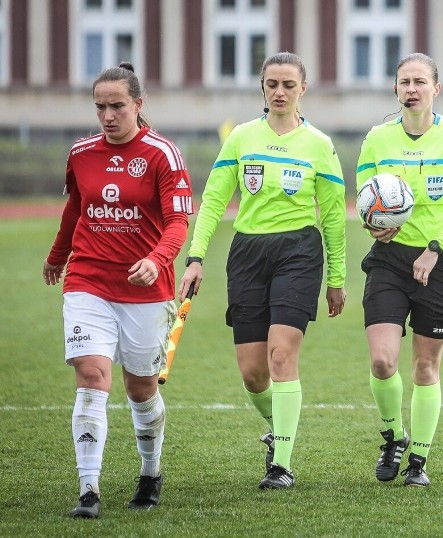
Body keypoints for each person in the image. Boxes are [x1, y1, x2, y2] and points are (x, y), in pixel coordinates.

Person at [179, 52, 346, 490]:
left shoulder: (319, 145)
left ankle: (281, 465)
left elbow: (332, 216)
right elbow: (214, 199)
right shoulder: (240, 139)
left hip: (299, 251)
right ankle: (280, 427)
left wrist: (337, 278)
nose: (279, 91)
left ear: (303, 89)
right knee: (253, 372)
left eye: (289, 84)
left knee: (281, 355)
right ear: (262, 87)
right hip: (248, 252)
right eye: (272, 83)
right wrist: (196, 256)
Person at [43, 62, 193, 518]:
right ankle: (88, 491)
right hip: (87, 280)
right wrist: (57, 255)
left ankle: (150, 472)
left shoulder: (163, 154)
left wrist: (156, 259)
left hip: (146, 290)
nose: (108, 116)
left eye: (117, 106)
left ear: (138, 105)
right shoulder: (81, 153)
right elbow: (76, 210)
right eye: (100, 107)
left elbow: (178, 221)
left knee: (141, 387)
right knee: (91, 377)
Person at [356, 52, 443, 487]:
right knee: (381, 360)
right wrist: (374, 224)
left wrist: (435, 246)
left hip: (439, 262)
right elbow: (364, 194)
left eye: (419, 81)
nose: (411, 88)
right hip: (389, 262)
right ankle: (393, 436)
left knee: (426, 367)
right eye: (404, 81)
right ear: (395, 88)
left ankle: (419, 462)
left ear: (436, 88)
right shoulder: (376, 138)